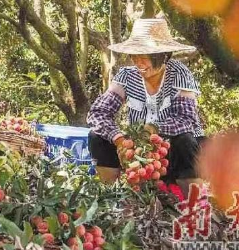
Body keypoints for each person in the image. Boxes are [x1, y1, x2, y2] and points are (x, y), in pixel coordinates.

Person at [87, 18, 205, 196]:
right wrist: (119, 139)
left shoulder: (179, 73)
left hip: (173, 152)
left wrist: (154, 129)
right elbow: (98, 113)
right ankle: (110, 194)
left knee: (185, 140)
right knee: (96, 136)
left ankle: (192, 201)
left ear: (163, 55)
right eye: (134, 56)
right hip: (139, 150)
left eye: (144, 57)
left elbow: (186, 120)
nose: (138, 62)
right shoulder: (126, 76)